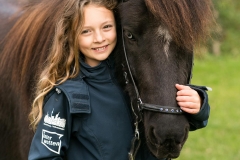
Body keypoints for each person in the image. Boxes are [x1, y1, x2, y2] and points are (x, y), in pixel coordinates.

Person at [28, 0, 210, 159]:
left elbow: (161, 102)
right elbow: (44, 156)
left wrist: (199, 105)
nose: (99, 38)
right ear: (71, 36)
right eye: (86, 31)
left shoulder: (129, 80)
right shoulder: (64, 96)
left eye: (106, 27)